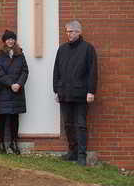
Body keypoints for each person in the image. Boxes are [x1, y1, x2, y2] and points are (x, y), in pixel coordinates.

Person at [53, 20, 98, 166]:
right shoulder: (62, 49)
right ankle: (72, 152)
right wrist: (56, 90)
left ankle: (81, 155)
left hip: (81, 94)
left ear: (79, 32)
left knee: (81, 125)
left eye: (71, 31)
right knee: (68, 124)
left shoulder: (88, 49)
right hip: (64, 93)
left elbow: (92, 72)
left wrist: (91, 91)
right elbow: (56, 71)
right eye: (67, 31)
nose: (69, 34)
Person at [0, 30, 29, 155]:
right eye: (8, 39)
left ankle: (13, 142)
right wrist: (11, 84)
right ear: (4, 41)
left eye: (12, 39)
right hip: (2, 92)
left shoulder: (20, 54)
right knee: (1, 118)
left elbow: (25, 71)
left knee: (14, 118)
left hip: (16, 92)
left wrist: (19, 83)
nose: (10, 41)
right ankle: (0, 143)